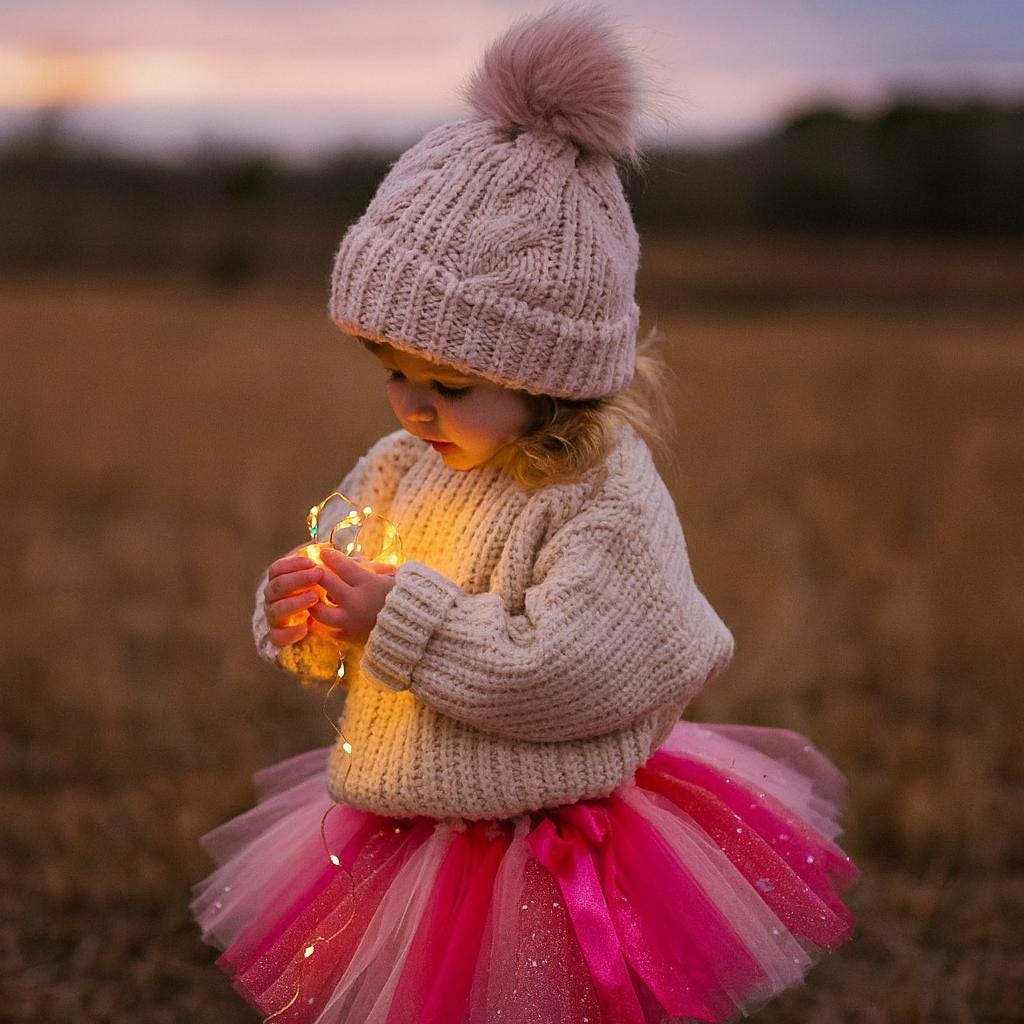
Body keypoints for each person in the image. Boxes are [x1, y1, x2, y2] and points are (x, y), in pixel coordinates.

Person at [191, 8, 859, 1022]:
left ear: (551, 375)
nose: (414, 406)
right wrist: (308, 621)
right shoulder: (398, 464)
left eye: (450, 382)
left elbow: (569, 667)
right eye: (392, 370)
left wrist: (395, 618)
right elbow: (350, 589)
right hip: (408, 822)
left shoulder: (603, 495)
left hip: (551, 842)